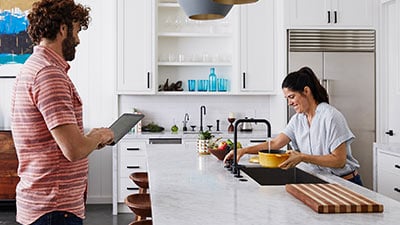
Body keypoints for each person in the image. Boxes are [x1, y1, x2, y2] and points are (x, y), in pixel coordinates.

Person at [11, 0, 114, 224]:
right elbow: (74, 149)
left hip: (43, 206)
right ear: (63, 29)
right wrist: (99, 136)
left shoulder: (32, 67)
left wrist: (91, 137)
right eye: (76, 31)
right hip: (55, 210)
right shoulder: (49, 74)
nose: (77, 40)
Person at [224, 66, 363, 186]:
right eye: (287, 99)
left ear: (306, 91)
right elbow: (275, 143)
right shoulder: (297, 120)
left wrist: (302, 157)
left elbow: (339, 160)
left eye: (291, 97)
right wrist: (242, 151)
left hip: (344, 183)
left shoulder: (331, 117)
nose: (289, 103)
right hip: (322, 182)